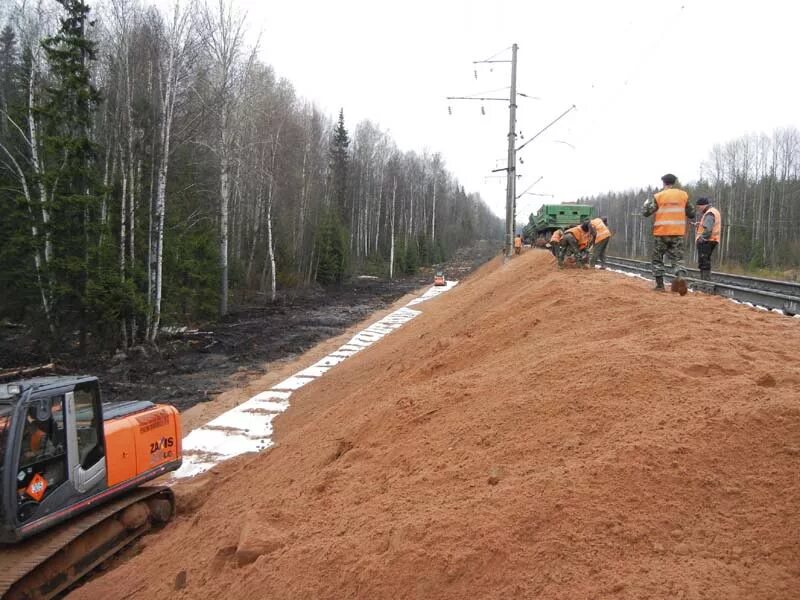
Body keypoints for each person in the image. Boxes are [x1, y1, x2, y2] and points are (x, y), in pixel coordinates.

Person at [642, 173, 695, 293]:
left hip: (661, 233)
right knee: (677, 258)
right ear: (673, 182)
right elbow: (691, 213)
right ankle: (680, 276)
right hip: (677, 233)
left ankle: (660, 286)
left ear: (664, 183)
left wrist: (645, 204)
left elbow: (646, 212)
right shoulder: (683, 195)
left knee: (657, 259)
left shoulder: (659, 196)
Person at [694, 197, 721, 281]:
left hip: (707, 241)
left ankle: (705, 281)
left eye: (699, 207)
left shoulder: (709, 213)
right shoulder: (714, 211)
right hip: (712, 240)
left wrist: (701, 239)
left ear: (703, 205)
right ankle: (705, 280)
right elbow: (709, 225)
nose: (699, 209)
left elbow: (708, 229)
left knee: (704, 261)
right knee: (705, 260)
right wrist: (699, 225)